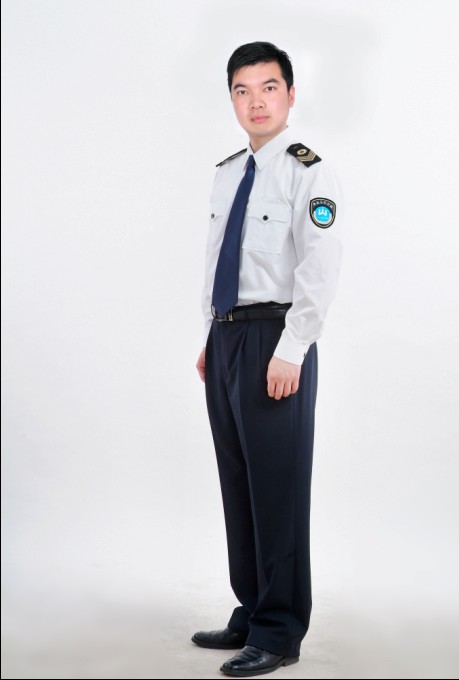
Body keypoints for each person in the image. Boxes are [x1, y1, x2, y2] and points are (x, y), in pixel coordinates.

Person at [193, 41, 343, 677]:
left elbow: (320, 267)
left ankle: (279, 629)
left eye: (269, 87)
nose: (256, 101)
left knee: (277, 487)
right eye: (243, 90)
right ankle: (253, 607)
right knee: (239, 481)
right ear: (232, 99)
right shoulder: (229, 172)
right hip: (227, 337)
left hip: (275, 339)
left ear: (290, 94)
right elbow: (216, 260)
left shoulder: (308, 172)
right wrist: (210, 335)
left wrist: (293, 348)